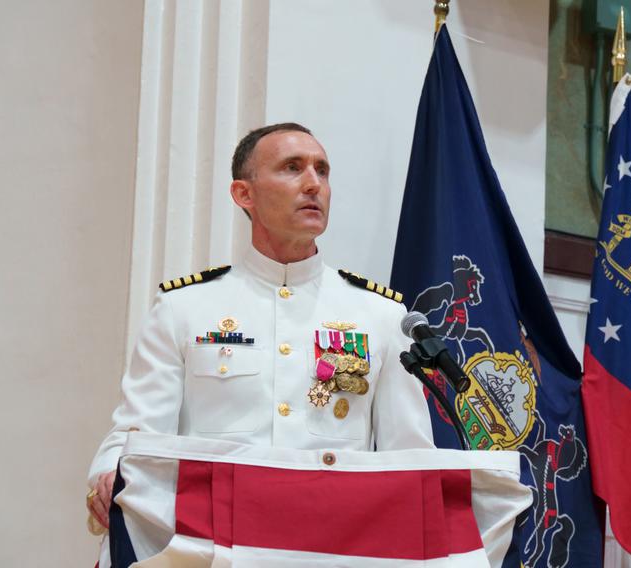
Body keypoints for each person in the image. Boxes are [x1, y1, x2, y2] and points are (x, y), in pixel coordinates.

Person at [86, 122, 434, 530]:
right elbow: (137, 430)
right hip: (212, 542)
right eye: (292, 167)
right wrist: (110, 473)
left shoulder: (379, 315)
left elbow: (410, 457)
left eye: (322, 171)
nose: (313, 184)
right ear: (243, 194)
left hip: (333, 544)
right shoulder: (184, 308)